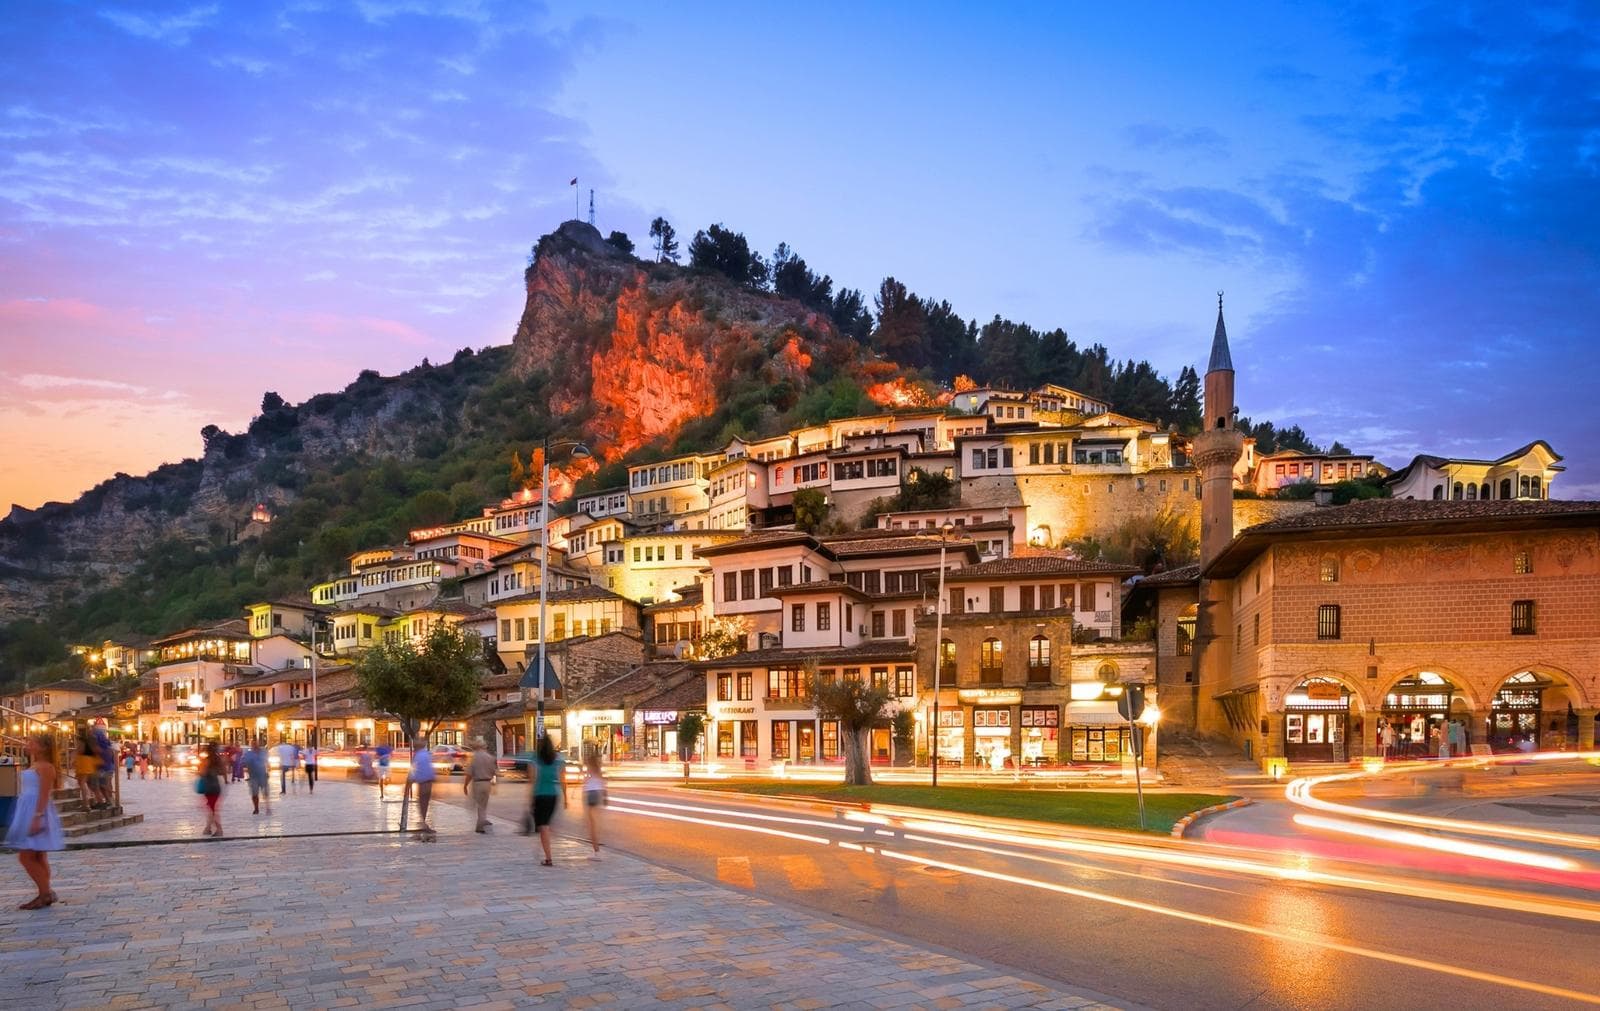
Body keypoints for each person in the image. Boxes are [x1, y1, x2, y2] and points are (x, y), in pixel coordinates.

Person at [6, 734, 65, 909]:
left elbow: (45, 793)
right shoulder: (35, 764)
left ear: (43, 747)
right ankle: (44, 892)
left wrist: (37, 817)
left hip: (36, 811)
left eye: (33, 742)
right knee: (38, 855)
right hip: (29, 809)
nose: (28, 744)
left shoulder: (46, 767)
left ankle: (45, 893)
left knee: (26, 857)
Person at [527, 735, 566, 866]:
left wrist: (530, 799)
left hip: (540, 794)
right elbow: (562, 780)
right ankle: (545, 845)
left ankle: (548, 858)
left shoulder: (535, 760)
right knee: (545, 825)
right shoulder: (558, 760)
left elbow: (532, 781)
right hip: (553, 794)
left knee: (542, 826)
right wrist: (565, 798)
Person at [464, 737, 496, 834]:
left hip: (477, 783)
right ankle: (482, 821)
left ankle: (480, 825)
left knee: (479, 805)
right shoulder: (490, 757)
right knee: (483, 804)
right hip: (487, 783)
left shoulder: (474, 758)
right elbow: (493, 771)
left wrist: (465, 785)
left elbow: (469, 773)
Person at [408, 735, 436, 840]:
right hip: (429, 782)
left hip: (423, 783)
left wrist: (410, 782)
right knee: (425, 804)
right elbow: (430, 769)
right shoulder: (427, 754)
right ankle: (424, 825)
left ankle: (423, 825)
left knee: (422, 805)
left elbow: (413, 770)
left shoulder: (418, 756)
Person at [198, 741, 224, 838]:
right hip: (216, 786)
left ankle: (219, 829)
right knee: (211, 808)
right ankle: (208, 828)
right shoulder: (217, 759)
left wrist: (201, 769)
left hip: (209, 786)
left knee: (212, 809)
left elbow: (202, 773)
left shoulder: (207, 760)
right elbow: (223, 771)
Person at [581, 751, 606, 856]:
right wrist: (605, 796)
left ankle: (596, 850)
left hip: (591, 793)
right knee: (594, 821)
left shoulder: (590, 769)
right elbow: (603, 781)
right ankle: (596, 846)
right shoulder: (598, 769)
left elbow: (586, 781)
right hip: (597, 794)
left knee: (590, 823)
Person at [244, 739, 270, 815]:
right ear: (251, 745)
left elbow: (267, 762)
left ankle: (267, 808)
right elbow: (245, 763)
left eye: (255, 743)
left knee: (265, 792)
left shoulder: (263, 752)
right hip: (253, 776)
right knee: (254, 794)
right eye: (253, 744)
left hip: (262, 774)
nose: (254, 745)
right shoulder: (248, 754)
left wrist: (268, 771)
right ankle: (256, 808)